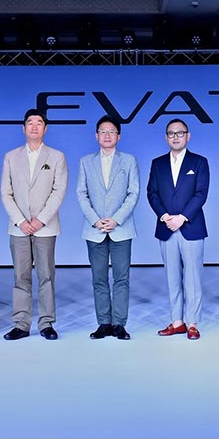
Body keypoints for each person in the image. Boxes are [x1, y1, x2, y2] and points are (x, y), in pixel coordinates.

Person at [0, 109, 68, 340]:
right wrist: (21, 220)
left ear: (45, 129)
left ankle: (47, 323)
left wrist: (40, 220)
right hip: (18, 227)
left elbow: (59, 191)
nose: (34, 126)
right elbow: (6, 192)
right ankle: (21, 324)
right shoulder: (11, 156)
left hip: (45, 227)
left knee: (46, 275)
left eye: (39, 123)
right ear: (23, 128)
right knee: (21, 276)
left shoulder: (56, 156)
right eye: (30, 122)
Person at [76, 115, 140, 340]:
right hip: (95, 229)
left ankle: (119, 324)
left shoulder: (129, 160)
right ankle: (103, 322)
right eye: (103, 131)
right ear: (96, 136)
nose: (107, 135)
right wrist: (95, 220)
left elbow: (133, 193)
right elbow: (81, 193)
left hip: (121, 228)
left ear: (118, 136)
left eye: (111, 131)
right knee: (99, 278)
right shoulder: (86, 161)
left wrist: (116, 219)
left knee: (122, 278)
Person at [146, 118, 209, 340]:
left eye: (180, 133)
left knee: (193, 278)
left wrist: (181, 218)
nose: (175, 137)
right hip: (166, 228)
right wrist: (165, 217)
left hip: (191, 227)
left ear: (188, 136)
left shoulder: (199, 162)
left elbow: (201, 194)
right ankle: (177, 322)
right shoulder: (158, 163)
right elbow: (152, 193)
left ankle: (192, 323)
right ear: (166, 137)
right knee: (172, 278)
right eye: (171, 133)